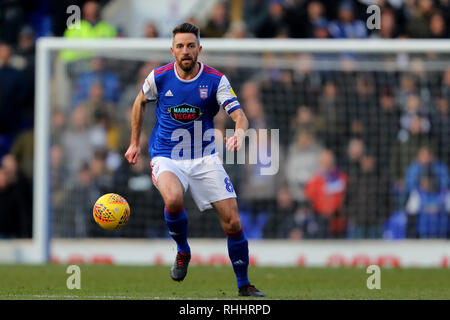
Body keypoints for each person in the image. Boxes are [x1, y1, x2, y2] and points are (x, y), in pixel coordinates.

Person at [124, 22, 265, 297]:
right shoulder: (159, 77)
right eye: (180, 46)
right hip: (167, 155)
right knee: (173, 198)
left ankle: (243, 284)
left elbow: (240, 115)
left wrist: (238, 134)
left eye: (190, 46)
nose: (185, 51)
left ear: (199, 49)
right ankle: (182, 250)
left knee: (233, 222)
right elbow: (139, 102)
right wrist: (133, 142)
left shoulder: (215, 80)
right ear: (172, 50)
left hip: (204, 157)